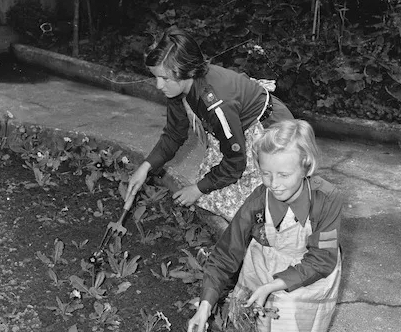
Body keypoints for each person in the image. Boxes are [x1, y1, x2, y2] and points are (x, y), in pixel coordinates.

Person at [187, 119, 343, 332]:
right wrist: (205, 304)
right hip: (271, 258)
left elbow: (322, 259)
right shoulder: (260, 199)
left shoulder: (327, 199)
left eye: (284, 174)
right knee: (254, 312)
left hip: (311, 267)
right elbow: (227, 252)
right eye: (266, 174)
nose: (274, 184)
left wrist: (273, 286)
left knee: (288, 311)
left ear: (306, 167)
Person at [123, 26, 293, 221]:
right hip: (236, 128)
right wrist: (145, 167)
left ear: (186, 71)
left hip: (270, 132)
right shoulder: (179, 85)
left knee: (246, 210)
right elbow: (174, 134)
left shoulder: (215, 103)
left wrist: (198, 189)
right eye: (156, 77)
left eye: (164, 78)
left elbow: (235, 162)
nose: (158, 86)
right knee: (210, 189)